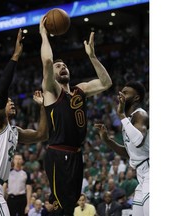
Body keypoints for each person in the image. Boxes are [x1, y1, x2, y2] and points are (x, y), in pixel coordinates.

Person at [39, 16, 112, 216]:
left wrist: (93, 57)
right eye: (58, 66)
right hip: (58, 152)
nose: (62, 67)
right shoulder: (52, 91)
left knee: (70, 207)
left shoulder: (80, 90)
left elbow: (106, 83)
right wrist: (44, 35)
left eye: (64, 66)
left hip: (76, 154)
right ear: (51, 75)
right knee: (60, 208)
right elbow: (47, 60)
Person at [0, 29, 48, 216]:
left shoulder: (14, 131)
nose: (11, 101)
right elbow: (2, 90)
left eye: (12, 100)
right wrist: (16, 55)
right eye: (8, 100)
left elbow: (42, 134)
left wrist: (42, 107)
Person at [95, 81, 149, 216]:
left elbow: (138, 141)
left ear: (136, 98)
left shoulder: (140, 114)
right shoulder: (128, 120)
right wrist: (108, 141)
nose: (121, 95)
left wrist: (121, 116)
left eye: (125, 92)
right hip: (141, 176)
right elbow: (129, 152)